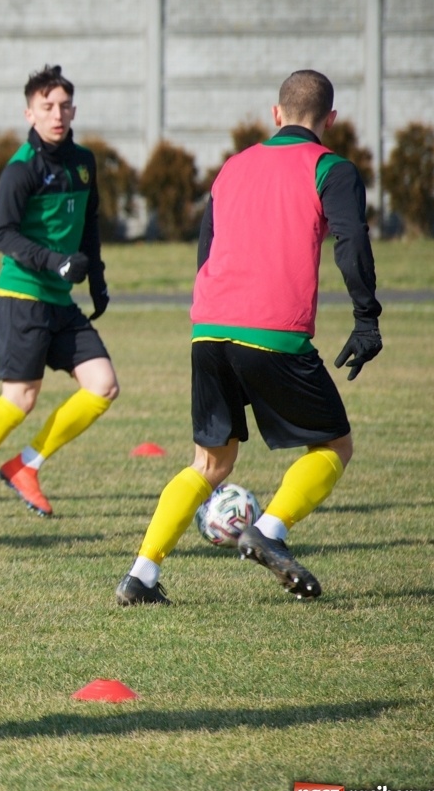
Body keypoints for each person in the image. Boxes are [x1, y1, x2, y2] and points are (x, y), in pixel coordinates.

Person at [117, 70, 381, 605]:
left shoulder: (233, 167)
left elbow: (206, 248)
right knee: (335, 446)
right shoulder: (331, 168)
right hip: (273, 333)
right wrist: (366, 318)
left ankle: (141, 576)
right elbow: (351, 240)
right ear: (330, 120)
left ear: (275, 114)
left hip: (209, 327)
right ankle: (269, 532)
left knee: (210, 463)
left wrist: (209, 312)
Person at [0, 65, 117, 522]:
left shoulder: (83, 162)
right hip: (21, 297)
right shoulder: (22, 168)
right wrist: (54, 262)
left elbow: (88, 223)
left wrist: (97, 279)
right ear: (29, 113)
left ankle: (25, 466)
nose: (57, 115)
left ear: (74, 110)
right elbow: (2, 234)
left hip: (61, 301)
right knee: (20, 398)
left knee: (102, 386)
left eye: (64, 106)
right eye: (47, 107)